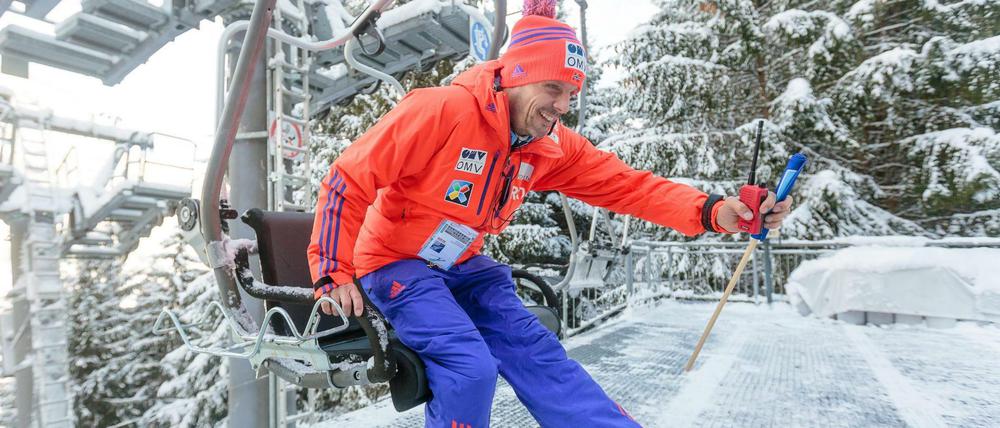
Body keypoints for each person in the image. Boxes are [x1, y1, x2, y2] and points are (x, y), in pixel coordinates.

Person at [307, 1, 793, 426]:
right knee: (469, 365)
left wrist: (713, 211)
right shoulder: (443, 110)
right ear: (518, 73)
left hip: (460, 264)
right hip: (394, 264)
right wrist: (332, 271)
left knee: (536, 351)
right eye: (554, 88)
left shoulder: (546, 145)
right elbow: (348, 179)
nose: (561, 107)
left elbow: (625, 185)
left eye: (571, 95)